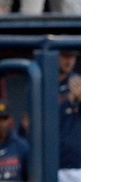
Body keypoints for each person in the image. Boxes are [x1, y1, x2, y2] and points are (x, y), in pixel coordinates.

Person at [57, 51, 81, 182]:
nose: (69, 61)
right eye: (66, 55)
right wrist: (67, 101)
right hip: (53, 164)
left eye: (72, 57)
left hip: (78, 165)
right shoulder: (41, 82)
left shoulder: (78, 83)